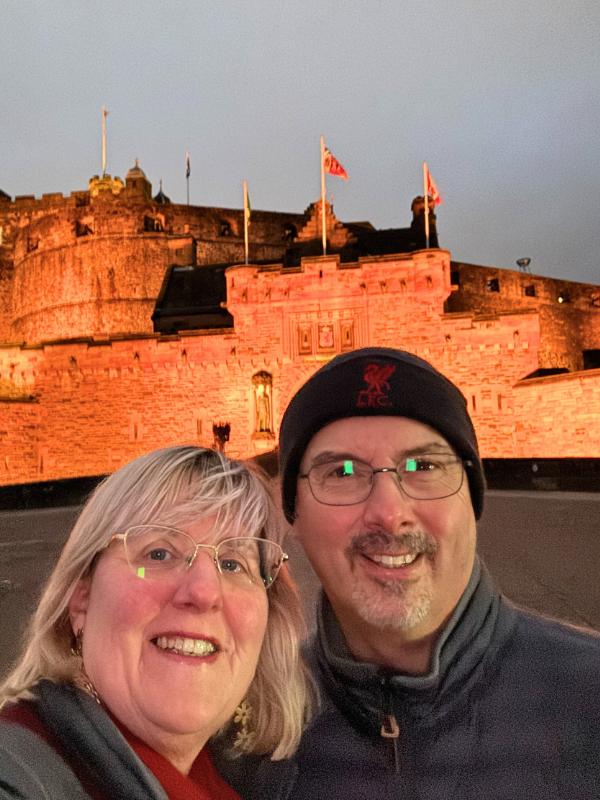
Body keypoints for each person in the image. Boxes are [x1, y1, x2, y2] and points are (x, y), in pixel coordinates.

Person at [219, 347, 600, 799]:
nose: (389, 512)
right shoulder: (244, 737)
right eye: (342, 472)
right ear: (293, 515)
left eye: (424, 466)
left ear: (471, 499)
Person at [0, 445, 311, 799]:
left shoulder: (234, 783)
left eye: (232, 564)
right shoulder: (19, 775)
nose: (205, 591)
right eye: (159, 554)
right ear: (80, 600)